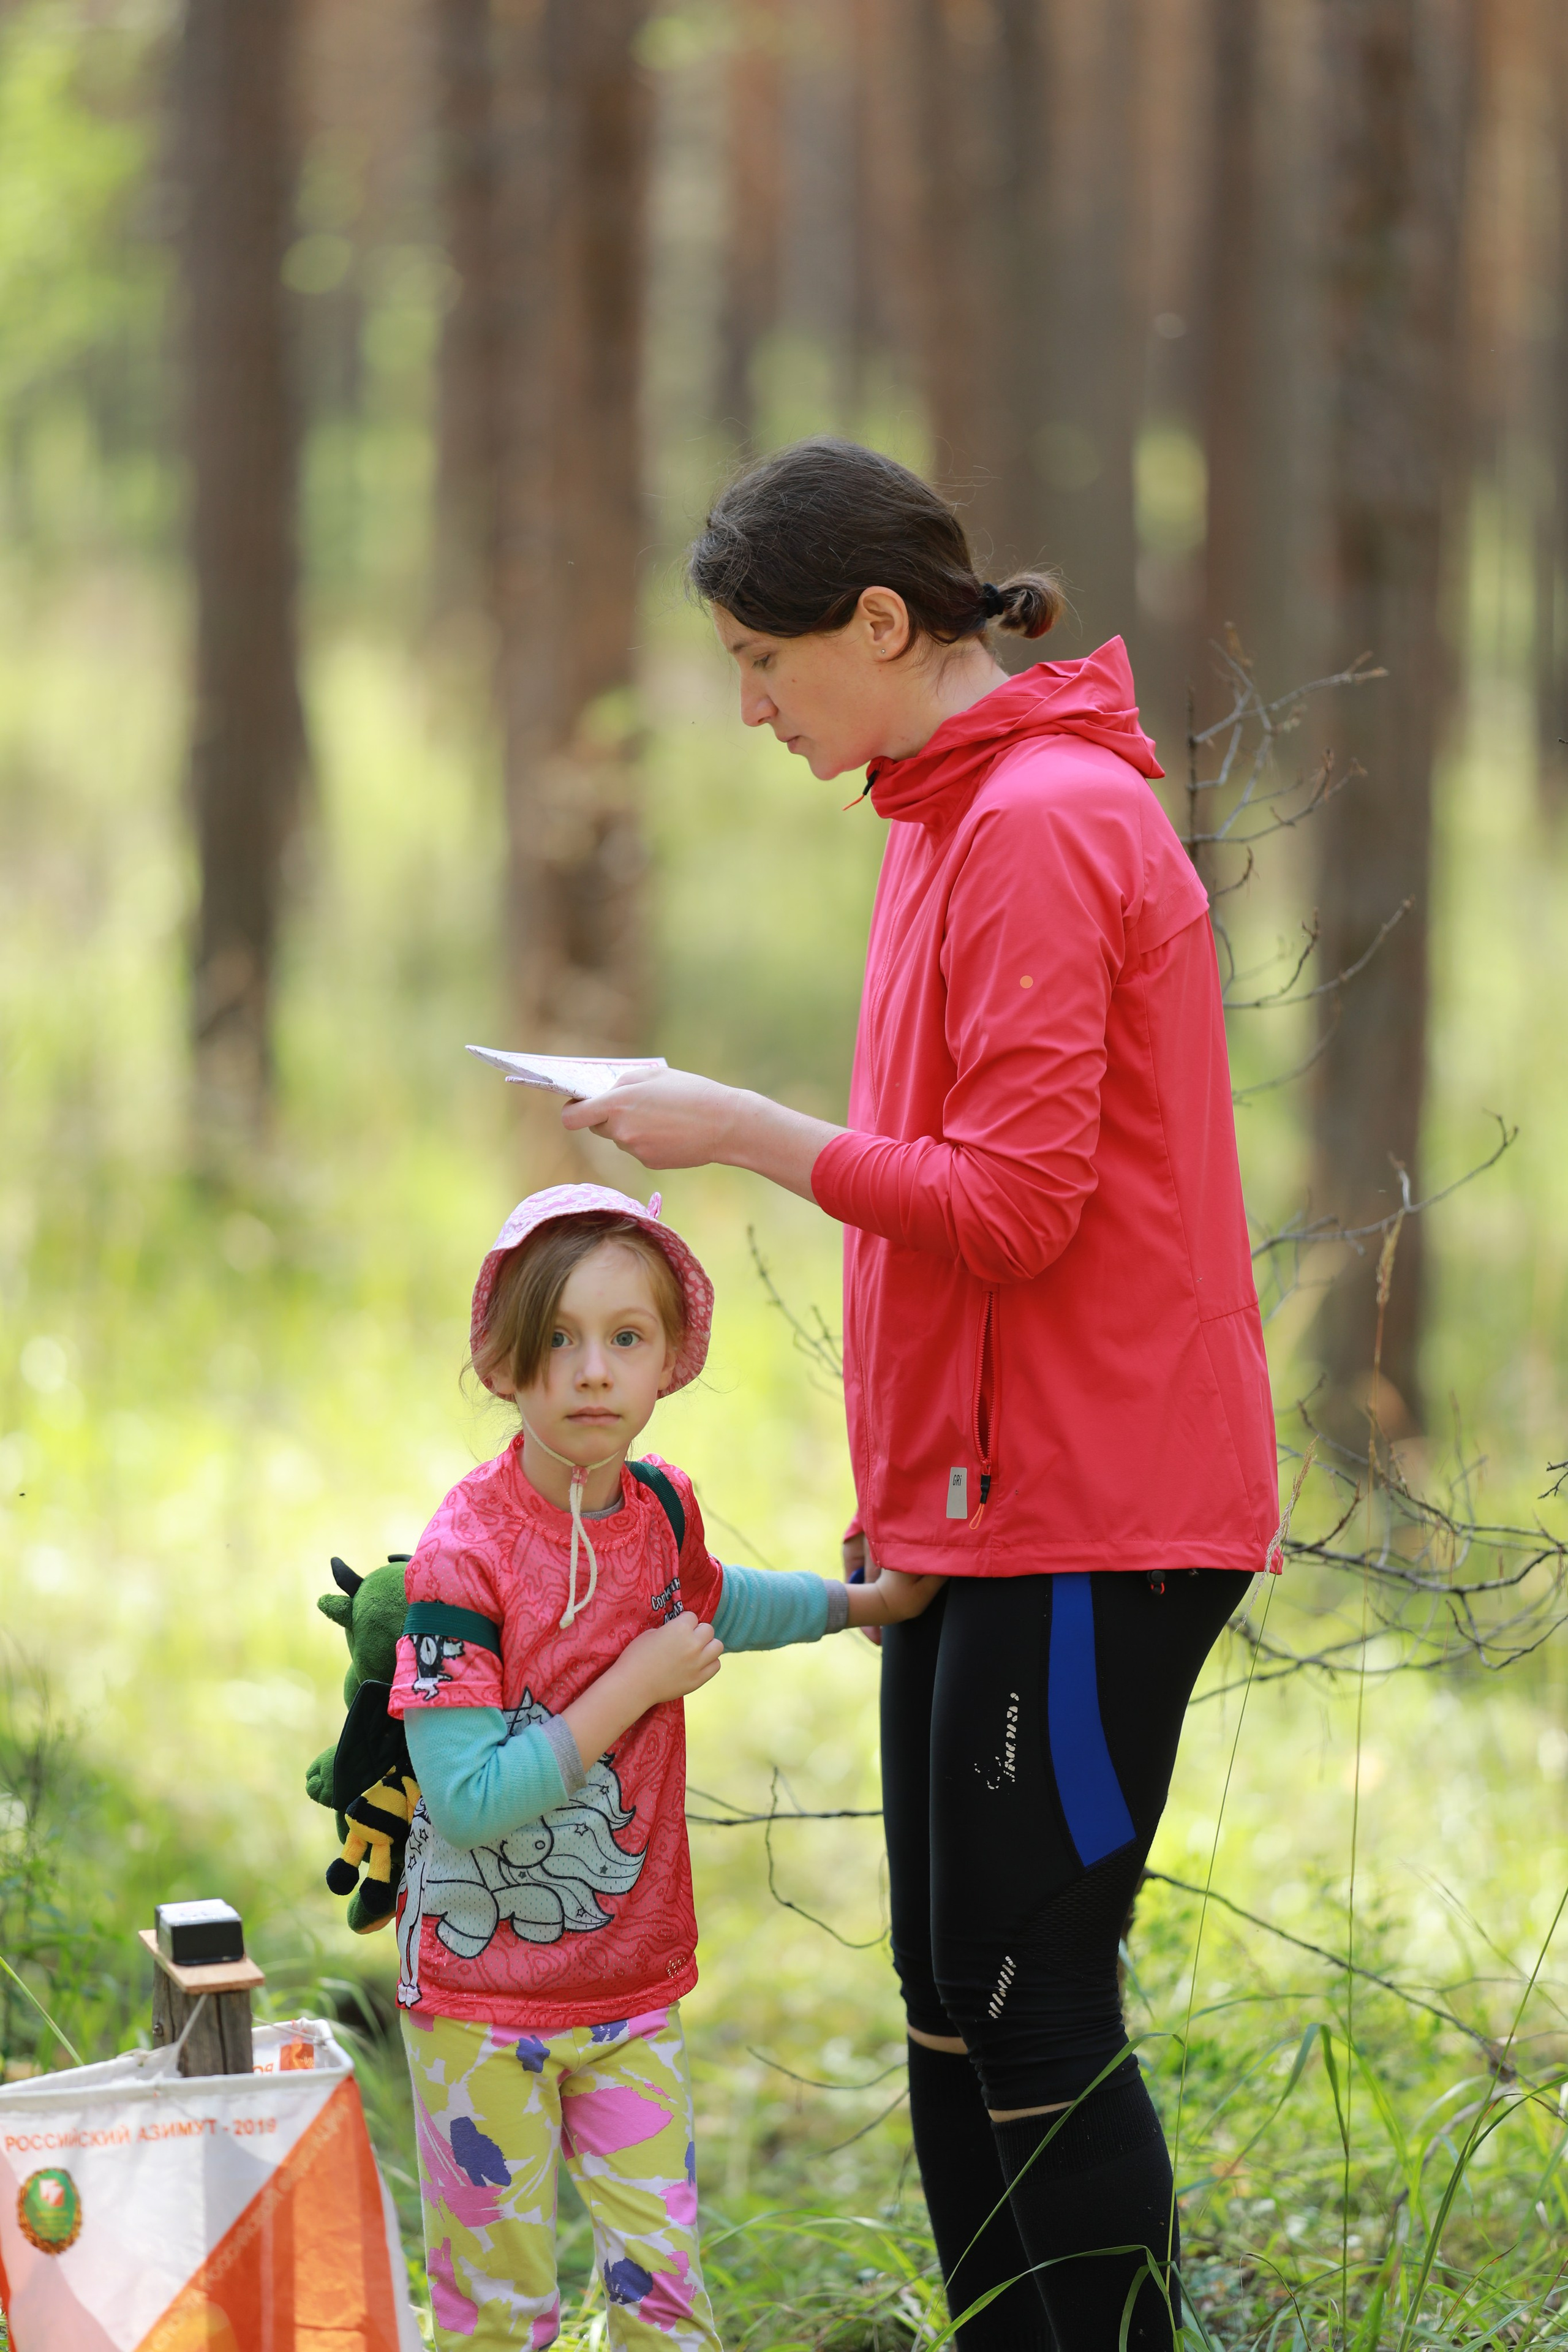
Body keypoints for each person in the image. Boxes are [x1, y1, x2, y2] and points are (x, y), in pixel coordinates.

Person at [558, 440, 1280, 2351]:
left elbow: (1020, 1210)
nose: (746, 705)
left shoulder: (1043, 822)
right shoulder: (944, 815)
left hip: (1098, 1503)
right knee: (954, 1993)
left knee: (1039, 1995)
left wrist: (742, 1130)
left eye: (763, 659)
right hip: (972, 1504)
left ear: (881, 623)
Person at [388, 1180, 940, 2351]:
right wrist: (631, 1688)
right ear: (503, 1363)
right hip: (482, 2007)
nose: (594, 1371)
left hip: (630, 1993)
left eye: (624, 1339)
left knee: (666, 2302)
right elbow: (469, 1799)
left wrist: (859, 1604)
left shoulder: (660, 1511)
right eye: (560, 1341)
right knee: (501, 2315)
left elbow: (716, 1604)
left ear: (667, 1359)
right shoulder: (463, 1559)